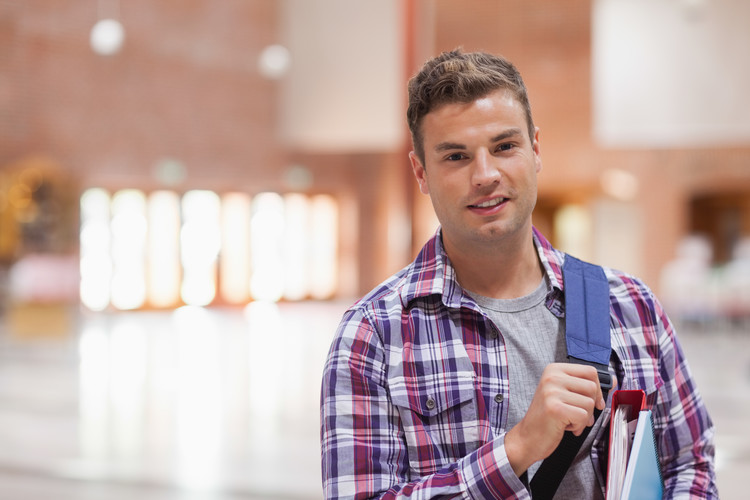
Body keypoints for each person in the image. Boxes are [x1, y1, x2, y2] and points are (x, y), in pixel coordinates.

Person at [320, 49, 717, 499]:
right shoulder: (374, 334)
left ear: (535, 150)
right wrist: (516, 449)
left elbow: (690, 462)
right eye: (456, 157)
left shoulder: (629, 305)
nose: (486, 175)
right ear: (421, 172)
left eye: (505, 146)